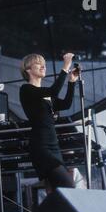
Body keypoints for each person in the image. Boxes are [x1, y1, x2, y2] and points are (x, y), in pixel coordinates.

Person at [19, 53, 78, 192]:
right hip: (41, 145)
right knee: (68, 186)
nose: (43, 66)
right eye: (38, 63)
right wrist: (65, 67)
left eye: (43, 63)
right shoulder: (26, 89)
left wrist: (72, 82)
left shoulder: (46, 95)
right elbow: (54, 90)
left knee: (55, 191)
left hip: (53, 145)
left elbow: (66, 104)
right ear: (28, 69)